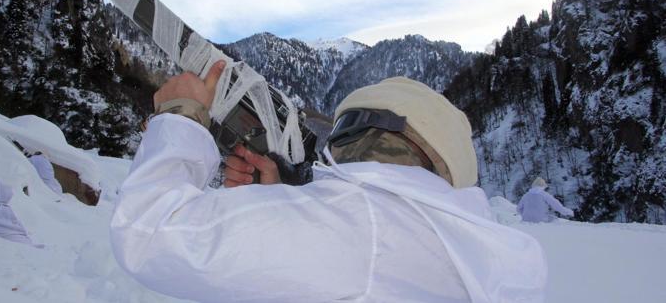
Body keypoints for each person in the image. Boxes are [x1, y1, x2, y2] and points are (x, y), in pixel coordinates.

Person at [110, 62, 547, 302]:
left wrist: (181, 118)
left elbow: (148, 233)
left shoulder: (362, 223)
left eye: (352, 124)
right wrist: (279, 204)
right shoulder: (455, 245)